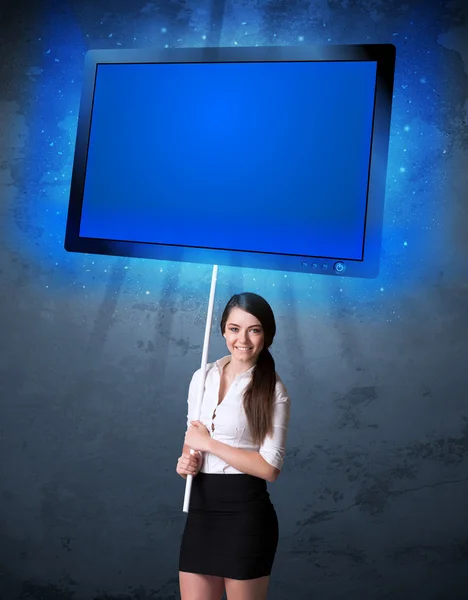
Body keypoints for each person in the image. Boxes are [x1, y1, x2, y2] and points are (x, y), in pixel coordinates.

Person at [176, 292, 291, 600]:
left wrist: (209, 444)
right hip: (201, 510)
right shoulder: (202, 377)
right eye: (234, 328)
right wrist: (186, 461)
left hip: (246, 516)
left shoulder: (273, 390)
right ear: (223, 330)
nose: (243, 339)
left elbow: (269, 468)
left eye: (254, 329)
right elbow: (193, 443)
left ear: (267, 335)